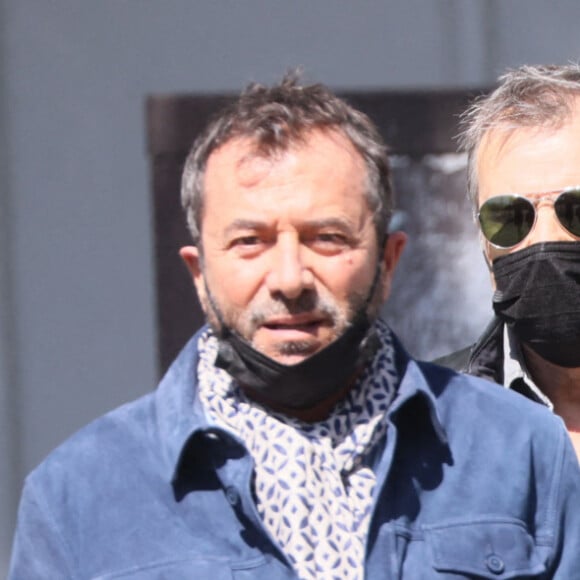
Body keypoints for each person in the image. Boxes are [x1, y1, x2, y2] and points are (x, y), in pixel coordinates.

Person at [9, 73, 580, 579]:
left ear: (387, 260)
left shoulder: (522, 449)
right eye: (249, 241)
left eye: (326, 237)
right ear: (199, 271)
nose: (288, 277)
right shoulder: (76, 498)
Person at [438, 64, 580, 458]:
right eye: (509, 218)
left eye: (576, 210)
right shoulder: (424, 420)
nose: (547, 239)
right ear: (484, 244)